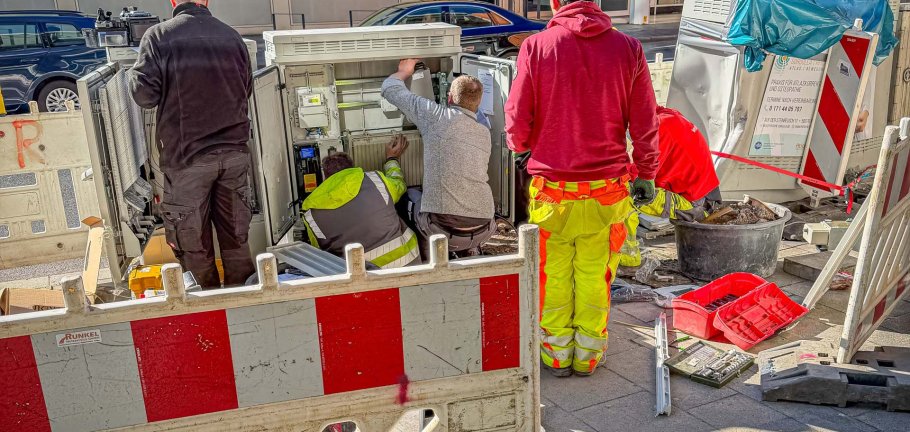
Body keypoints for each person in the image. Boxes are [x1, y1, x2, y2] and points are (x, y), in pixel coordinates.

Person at [505, 0, 660, 377]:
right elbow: (645, 119)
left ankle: (556, 354)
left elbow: (516, 116)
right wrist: (647, 172)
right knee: (594, 274)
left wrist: (522, 146)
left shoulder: (538, 46)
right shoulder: (628, 48)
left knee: (553, 274)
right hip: (607, 191)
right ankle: (588, 355)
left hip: (552, 192)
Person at [129, 0, 254, 288]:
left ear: (173, 1)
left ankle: (208, 308)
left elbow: (145, 96)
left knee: (192, 242)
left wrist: (135, 76)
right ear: (207, 1)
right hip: (234, 152)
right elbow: (245, 89)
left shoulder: (158, 36)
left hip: (188, 160)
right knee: (236, 237)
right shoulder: (231, 36)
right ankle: (244, 302)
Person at [381, 59, 496, 257]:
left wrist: (404, 71)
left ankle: (426, 259)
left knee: (405, 196)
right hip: (484, 227)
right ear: (478, 103)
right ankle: (470, 250)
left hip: (441, 230)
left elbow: (390, 88)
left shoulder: (436, 116)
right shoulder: (484, 132)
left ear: (450, 98)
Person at [619, 106, 722, 268]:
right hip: (706, 195)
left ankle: (627, 257)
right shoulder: (668, 116)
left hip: (694, 205)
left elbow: (637, 176)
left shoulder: (658, 132)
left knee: (621, 192)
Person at [301, 136, 421, 269]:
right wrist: (391, 159)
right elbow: (400, 185)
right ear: (352, 168)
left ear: (326, 176)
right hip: (406, 262)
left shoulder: (310, 215)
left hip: (360, 277)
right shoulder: (375, 180)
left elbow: (319, 251)